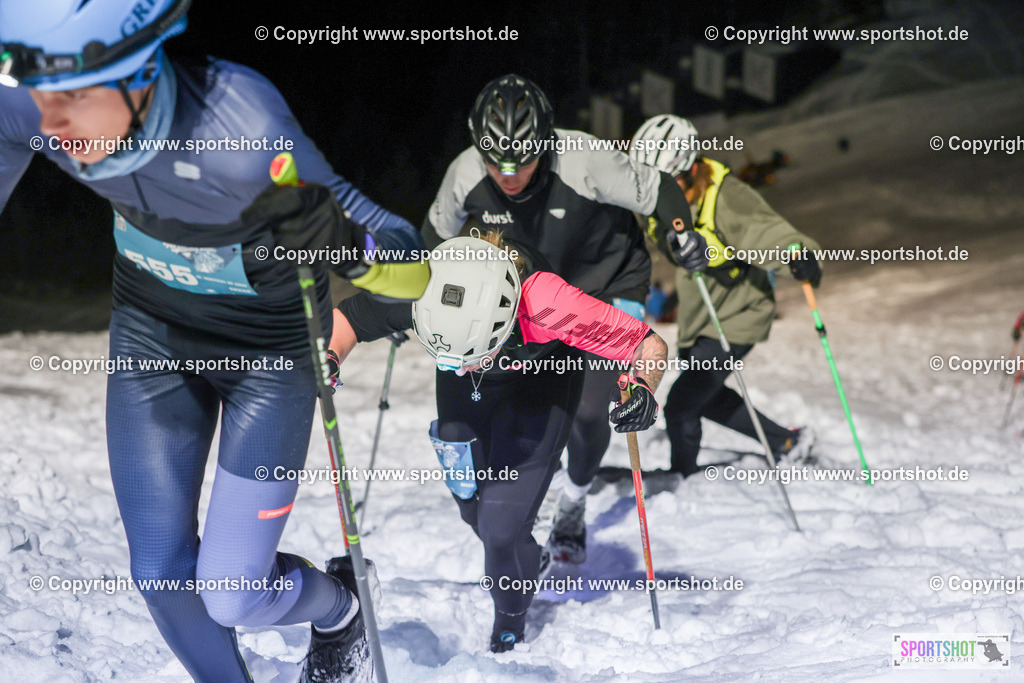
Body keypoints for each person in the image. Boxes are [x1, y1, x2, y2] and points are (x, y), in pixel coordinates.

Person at [0, 2, 427, 681]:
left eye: (73, 98)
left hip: (269, 361)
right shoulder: (31, 106)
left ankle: (340, 608)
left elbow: (413, 268)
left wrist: (348, 244)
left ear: (139, 73)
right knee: (160, 573)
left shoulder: (242, 129)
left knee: (233, 594)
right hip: (152, 339)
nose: (50, 122)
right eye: (39, 95)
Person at [330, 233, 669, 652]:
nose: (463, 368)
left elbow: (647, 344)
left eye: (474, 355)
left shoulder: (546, 303)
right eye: (453, 359)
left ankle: (509, 628)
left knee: (500, 530)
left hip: (540, 387)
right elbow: (348, 319)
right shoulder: (424, 284)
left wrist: (643, 388)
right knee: (471, 507)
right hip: (465, 398)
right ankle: (526, 556)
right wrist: (328, 359)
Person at [421, 74, 708, 566]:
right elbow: (434, 236)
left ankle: (573, 501)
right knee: (528, 397)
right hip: (532, 299)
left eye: (523, 160)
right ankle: (533, 490)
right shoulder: (464, 171)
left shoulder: (585, 158)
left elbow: (657, 188)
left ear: (544, 142)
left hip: (606, 284)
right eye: (495, 162)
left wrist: (681, 232)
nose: (509, 175)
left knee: (591, 409)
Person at [630, 114, 823, 476]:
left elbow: (766, 232)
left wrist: (797, 254)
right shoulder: (659, 201)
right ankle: (786, 441)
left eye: (667, 182)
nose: (658, 192)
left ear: (690, 169)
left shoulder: (727, 197)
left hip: (739, 313)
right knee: (706, 394)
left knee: (682, 404)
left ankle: (682, 477)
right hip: (702, 315)